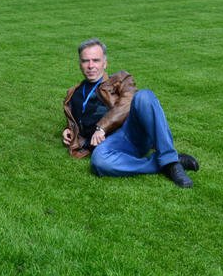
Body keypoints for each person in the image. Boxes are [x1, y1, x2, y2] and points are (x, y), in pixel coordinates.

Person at [61, 38, 199, 187]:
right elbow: (80, 122)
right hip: (109, 145)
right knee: (99, 161)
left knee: (144, 96)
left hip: (131, 133)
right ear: (80, 64)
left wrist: (102, 127)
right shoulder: (73, 94)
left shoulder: (120, 79)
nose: (90, 66)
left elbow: (128, 102)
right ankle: (166, 163)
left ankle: (170, 161)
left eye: (96, 60)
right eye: (85, 61)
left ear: (105, 63)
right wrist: (69, 131)